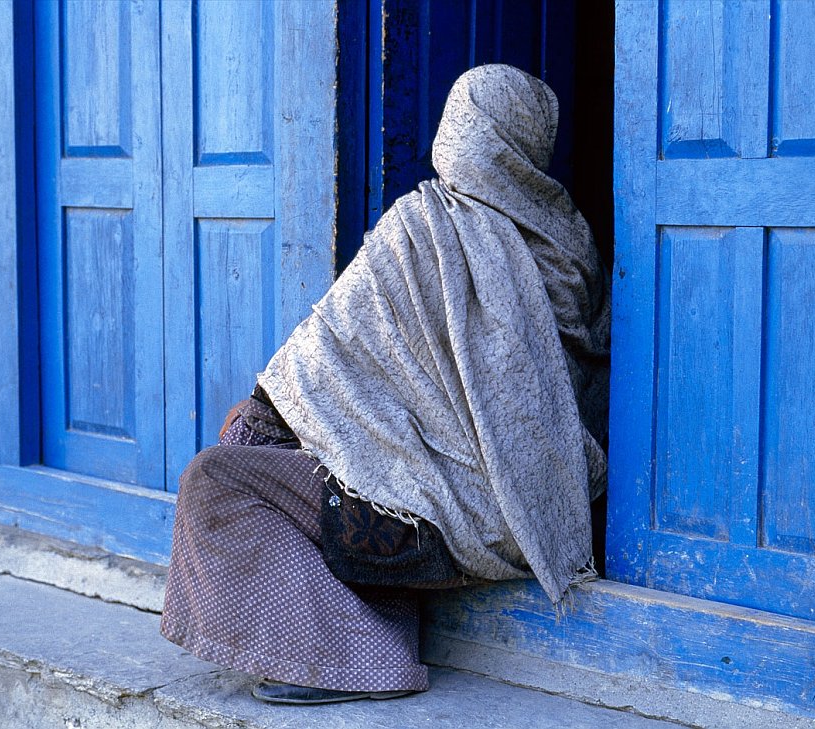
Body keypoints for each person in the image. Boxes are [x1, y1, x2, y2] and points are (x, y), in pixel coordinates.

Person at [160, 64, 611, 706]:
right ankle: (375, 606)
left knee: (219, 475)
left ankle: (361, 655)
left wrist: (255, 420)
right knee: (359, 459)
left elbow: (323, 352)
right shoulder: (575, 245)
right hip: (536, 521)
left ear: (460, 132)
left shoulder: (422, 225)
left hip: (423, 529)